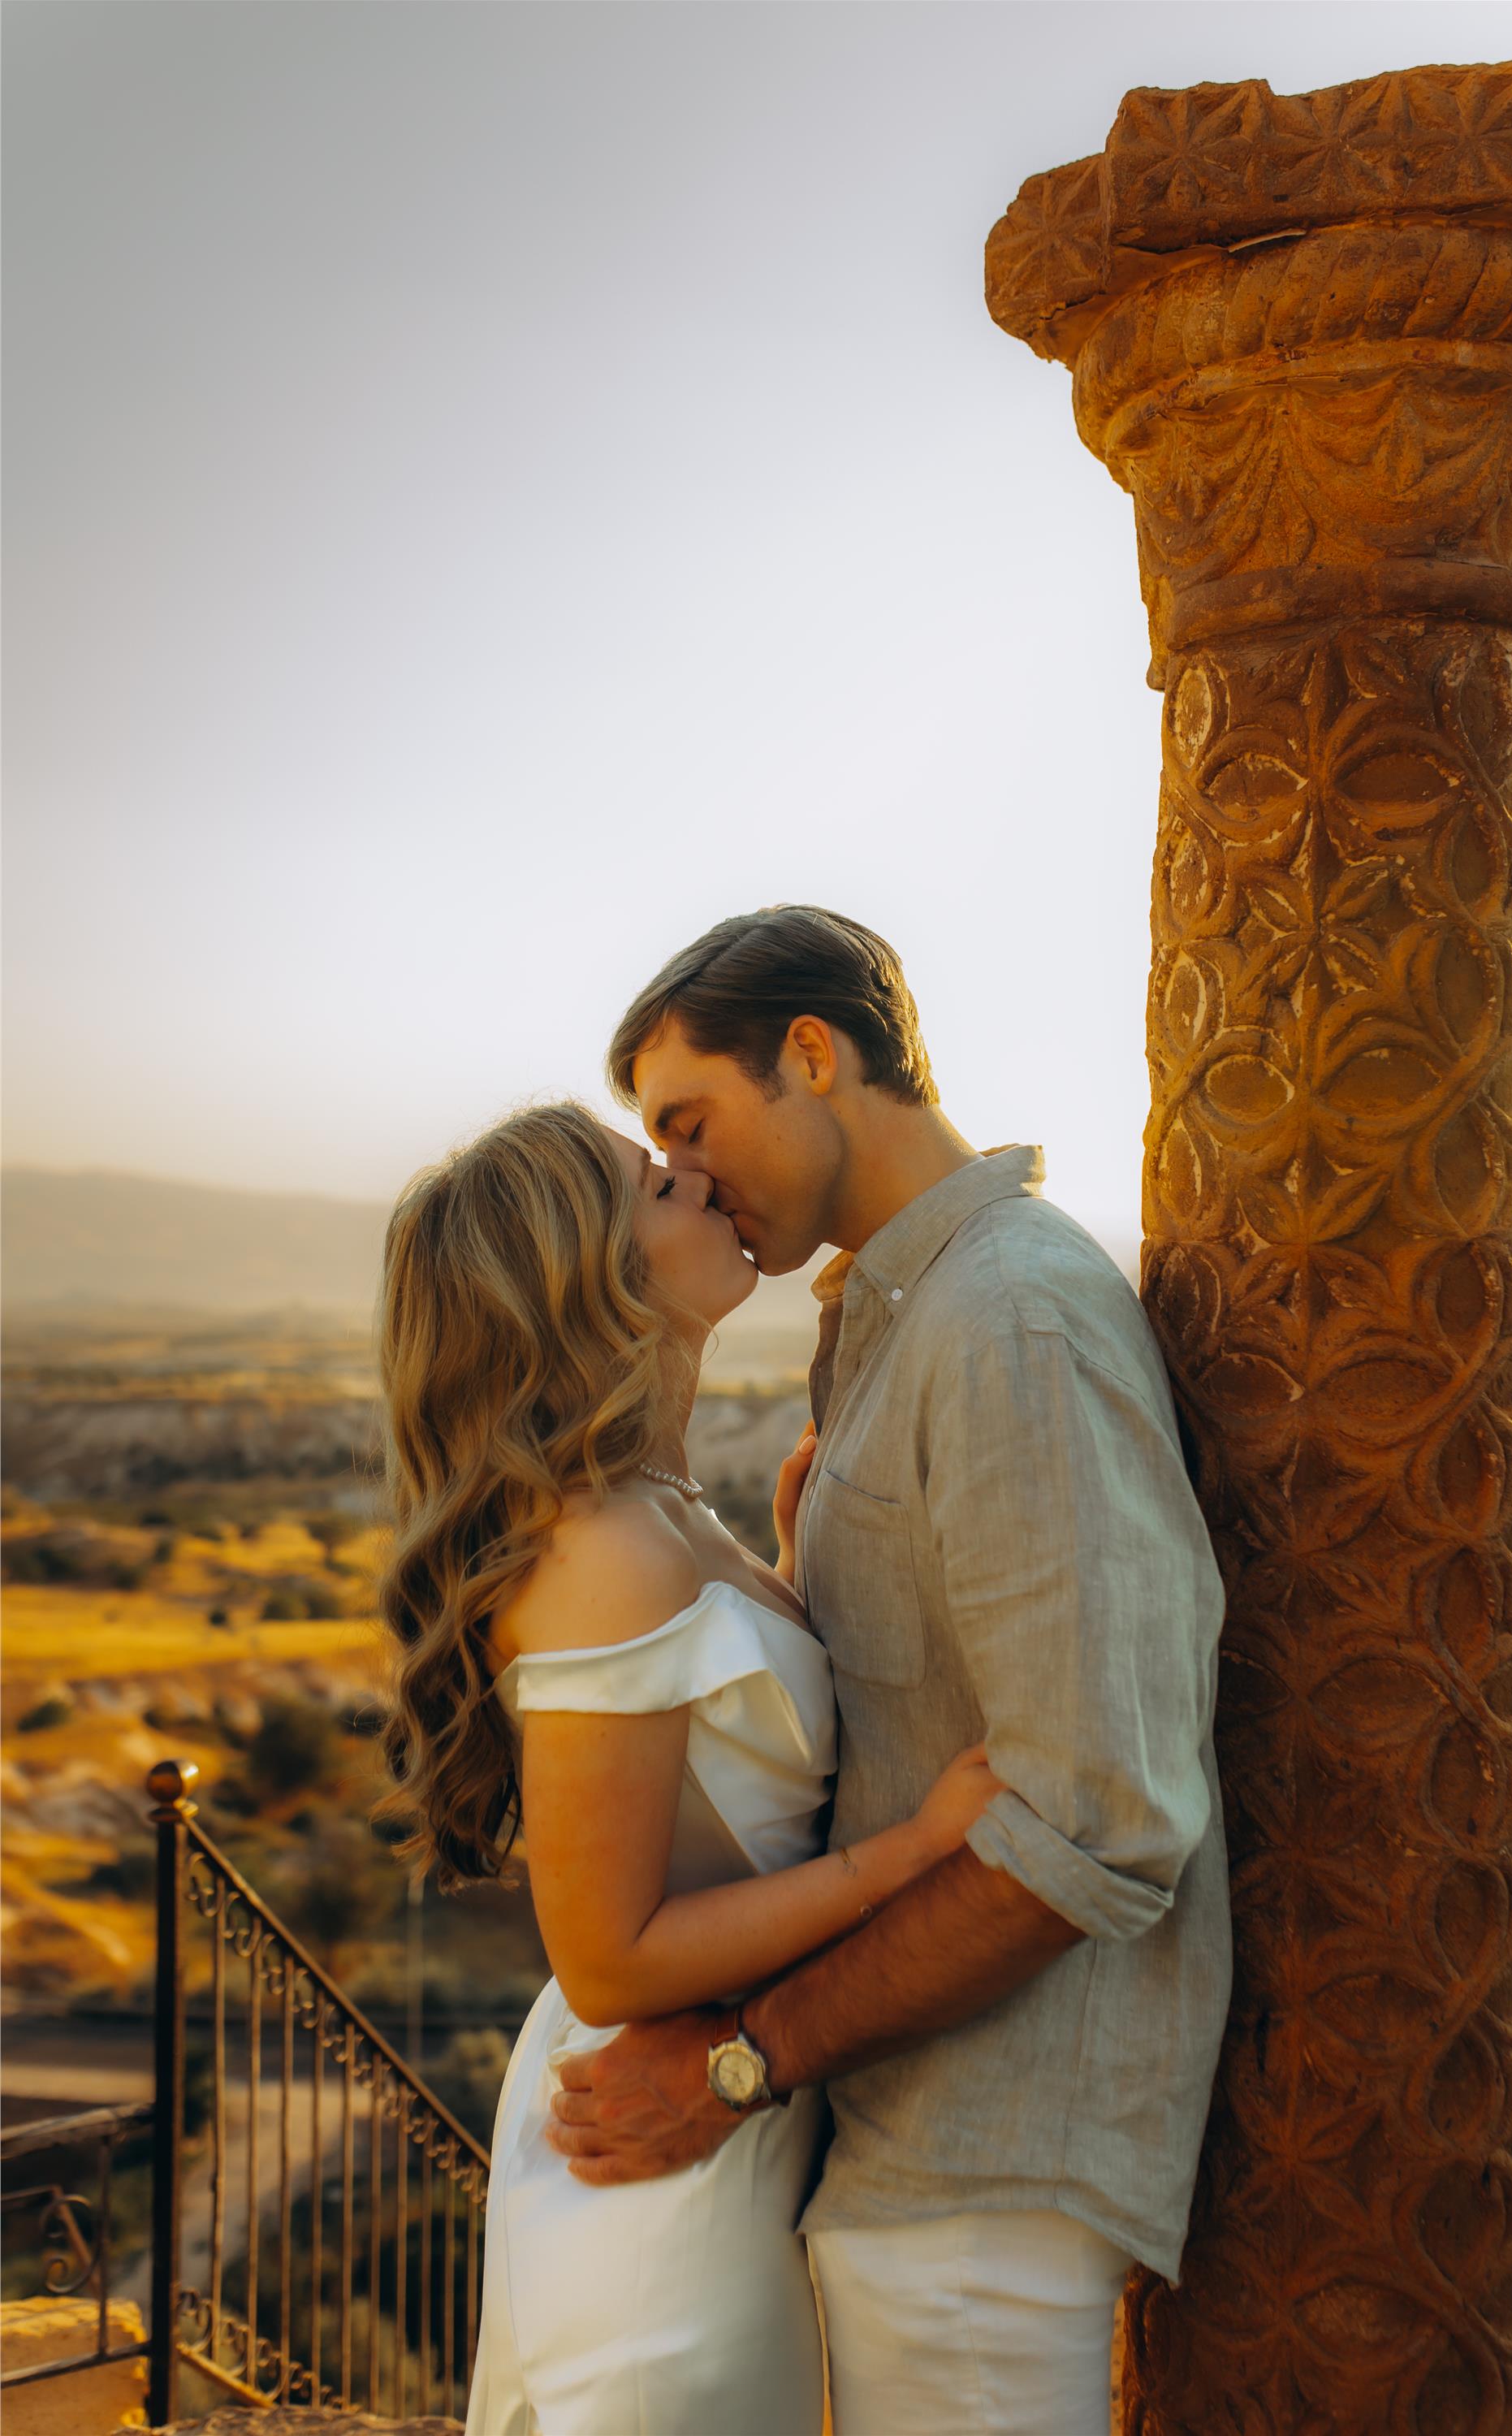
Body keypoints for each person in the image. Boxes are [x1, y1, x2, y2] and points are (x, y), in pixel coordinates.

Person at [544, 905, 1233, 2436]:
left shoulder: (1009, 1324)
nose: (688, 1172)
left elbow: (1096, 1822)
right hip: (904, 2153)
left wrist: (737, 2064)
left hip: (980, 2181)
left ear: (812, 1053)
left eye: (690, 1120)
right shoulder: (908, 1319)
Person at [374, 1097, 1000, 2436]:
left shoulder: (656, 1509)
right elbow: (608, 1955)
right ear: (582, 1276)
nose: (702, 1182)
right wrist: (909, 1853)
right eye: (657, 1181)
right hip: (658, 2185)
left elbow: (721, 1777)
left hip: (730, 2137)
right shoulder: (606, 1548)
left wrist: (785, 1573)